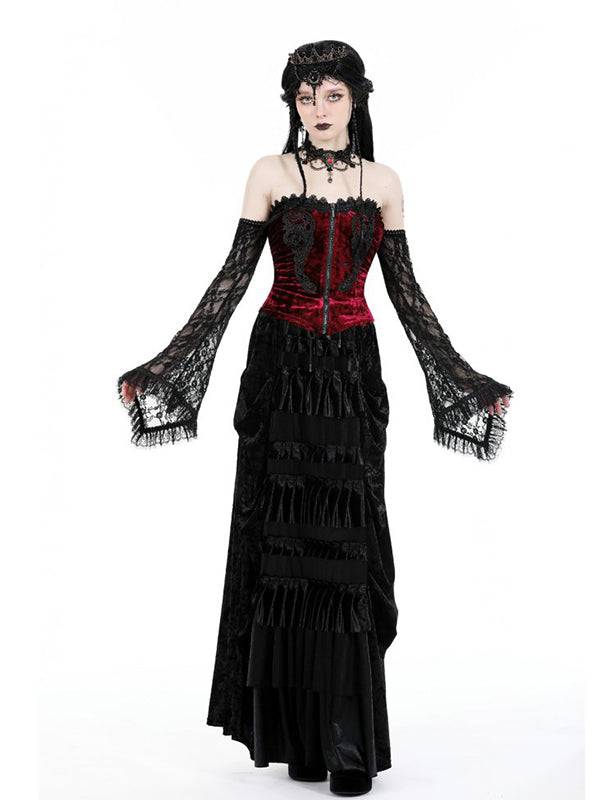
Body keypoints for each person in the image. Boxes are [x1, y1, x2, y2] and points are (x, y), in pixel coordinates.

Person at [118, 39, 513, 797]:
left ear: (357, 99)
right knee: (282, 551)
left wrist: (462, 380)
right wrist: (166, 368)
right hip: (282, 369)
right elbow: (232, 280)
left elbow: (407, 294)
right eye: (306, 96)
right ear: (292, 105)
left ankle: (348, 745)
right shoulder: (270, 174)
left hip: (351, 375)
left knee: (348, 548)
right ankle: (300, 741)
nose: (319, 109)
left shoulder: (384, 183)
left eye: (332, 94)